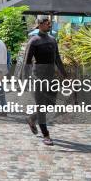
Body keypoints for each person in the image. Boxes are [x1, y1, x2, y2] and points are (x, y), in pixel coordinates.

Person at [24, 15, 67, 145]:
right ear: (40, 24)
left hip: (51, 78)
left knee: (51, 104)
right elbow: (27, 62)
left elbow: (57, 59)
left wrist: (65, 75)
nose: (49, 24)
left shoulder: (53, 40)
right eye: (47, 23)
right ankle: (46, 135)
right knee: (41, 107)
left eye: (50, 22)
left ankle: (32, 119)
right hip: (38, 78)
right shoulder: (34, 41)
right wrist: (26, 80)